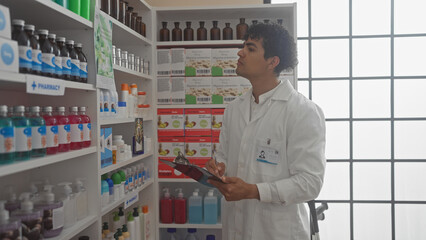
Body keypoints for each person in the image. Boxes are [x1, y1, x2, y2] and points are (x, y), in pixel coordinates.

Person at [206, 22, 326, 240]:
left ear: (273, 62)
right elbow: (223, 156)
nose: (240, 52)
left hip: (278, 232)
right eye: (244, 46)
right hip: (236, 227)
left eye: (251, 49)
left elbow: (310, 183)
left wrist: (254, 191)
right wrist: (219, 169)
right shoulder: (234, 109)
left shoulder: (302, 111)